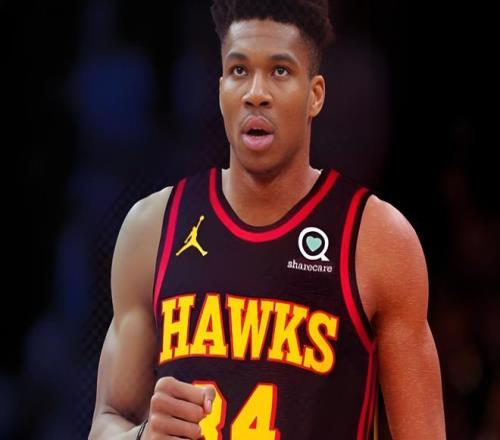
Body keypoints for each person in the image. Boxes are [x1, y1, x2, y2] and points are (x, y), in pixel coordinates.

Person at [89, 1, 446, 439]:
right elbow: (107, 422)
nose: (255, 92)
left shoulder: (377, 238)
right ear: (220, 88)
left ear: (315, 95)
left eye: (280, 71)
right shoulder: (152, 228)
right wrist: (143, 436)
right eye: (239, 71)